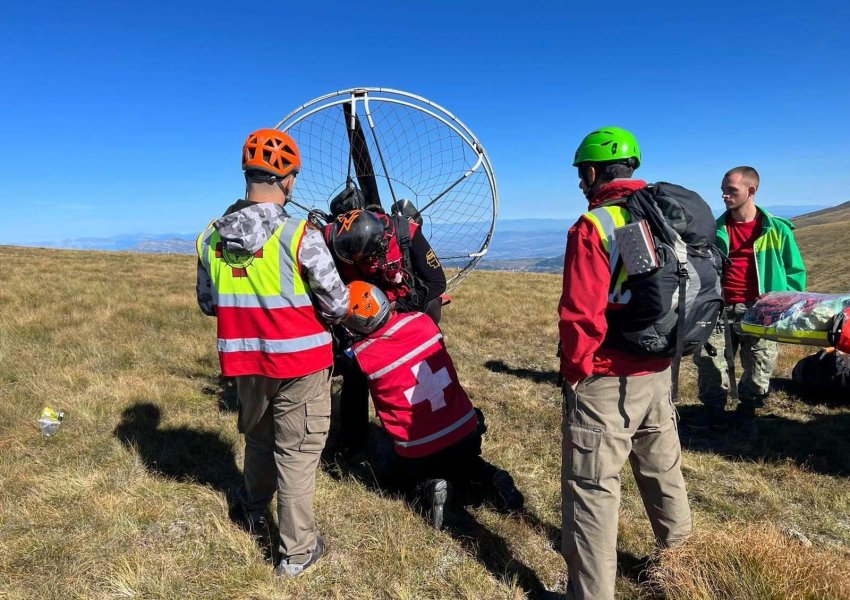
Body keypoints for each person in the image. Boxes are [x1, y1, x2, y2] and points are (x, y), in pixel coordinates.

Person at [196, 128, 349, 577]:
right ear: (289, 180)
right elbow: (337, 304)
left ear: (247, 175)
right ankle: (297, 552)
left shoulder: (210, 238)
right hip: (301, 365)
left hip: (246, 366)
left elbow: (209, 303)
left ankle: (250, 508)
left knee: (259, 441)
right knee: (297, 454)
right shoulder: (301, 234)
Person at [558, 127, 692, 600]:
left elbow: (580, 313)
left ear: (592, 172)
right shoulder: (659, 216)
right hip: (658, 369)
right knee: (663, 474)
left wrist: (577, 373)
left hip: (608, 378)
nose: (580, 183)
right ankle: (684, 574)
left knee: (593, 491)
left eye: (581, 174)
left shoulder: (596, 224)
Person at [343, 281, 523, 528]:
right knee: (466, 462)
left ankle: (428, 488)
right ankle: (491, 477)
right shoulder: (422, 321)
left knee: (394, 477)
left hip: (417, 450)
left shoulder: (362, 356)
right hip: (465, 432)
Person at [325, 205, 447, 455]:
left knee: (412, 370)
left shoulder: (406, 233)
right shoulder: (331, 238)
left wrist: (397, 306)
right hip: (362, 315)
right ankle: (353, 440)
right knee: (356, 372)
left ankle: (428, 426)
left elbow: (437, 282)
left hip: (406, 309)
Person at [692, 166, 806, 428]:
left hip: (761, 309)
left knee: (759, 363)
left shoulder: (777, 229)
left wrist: (781, 302)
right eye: (723, 190)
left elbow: (795, 272)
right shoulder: (713, 229)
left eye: (731, 190)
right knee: (710, 361)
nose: (724, 196)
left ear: (751, 191)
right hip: (717, 308)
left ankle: (748, 409)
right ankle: (713, 412)